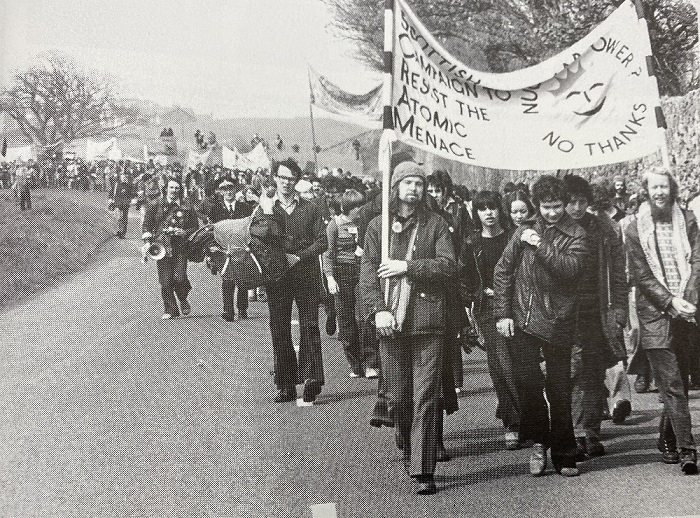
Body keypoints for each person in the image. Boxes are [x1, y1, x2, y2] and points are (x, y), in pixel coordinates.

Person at [359, 161, 457, 495]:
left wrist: (408, 267)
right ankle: (404, 434)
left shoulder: (437, 224)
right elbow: (368, 272)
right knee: (398, 399)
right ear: (395, 187)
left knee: (426, 396)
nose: (414, 188)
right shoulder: (377, 226)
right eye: (407, 182)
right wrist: (378, 311)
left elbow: (448, 266)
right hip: (391, 324)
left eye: (419, 183)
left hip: (429, 322)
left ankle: (423, 468)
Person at [493, 175, 588, 477]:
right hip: (523, 318)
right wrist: (502, 314)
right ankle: (539, 442)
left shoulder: (577, 234)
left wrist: (541, 243)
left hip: (559, 319)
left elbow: (569, 270)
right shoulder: (523, 230)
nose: (552, 212)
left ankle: (564, 452)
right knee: (527, 382)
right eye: (546, 207)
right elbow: (503, 271)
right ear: (538, 205)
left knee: (559, 390)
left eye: (557, 206)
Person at [625, 166, 700, 474]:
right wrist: (670, 302)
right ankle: (687, 449)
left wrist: (689, 299)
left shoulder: (689, 220)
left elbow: (698, 258)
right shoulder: (633, 228)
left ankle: (667, 437)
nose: (659, 192)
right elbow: (641, 275)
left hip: (688, 310)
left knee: (679, 380)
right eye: (654, 187)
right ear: (646, 190)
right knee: (671, 383)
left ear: (672, 189)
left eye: (664, 187)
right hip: (655, 314)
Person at [563, 175, 629, 460]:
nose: (577, 207)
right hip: (565, 312)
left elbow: (617, 272)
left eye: (582, 201)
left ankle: (591, 431)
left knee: (593, 371)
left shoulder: (603, 229)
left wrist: (620, 310)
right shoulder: (556, 229)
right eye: (571, 202)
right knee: (573, 372)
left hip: (597, 310)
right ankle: (577, 433)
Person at [459, 190, 521, 450]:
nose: (489, 213)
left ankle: (525, 415)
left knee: (522, 365)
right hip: (489, 311)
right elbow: (462, 280)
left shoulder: (512, 238)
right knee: (501, 365)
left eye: (493, 207)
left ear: (500, 210)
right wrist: (478, 294)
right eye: (483, 208)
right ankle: (512, 423)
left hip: (518, 307)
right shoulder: (472, 244)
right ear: (477, 212)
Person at [266, 159, 327, 406]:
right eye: (281, 177)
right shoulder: (266, 208)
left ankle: (312, 381)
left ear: (297, 181)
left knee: (310, 326)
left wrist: (299, 257)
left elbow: (322, 242)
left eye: (290, 179)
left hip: (306, 274)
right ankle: (286, 384)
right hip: (277, 278)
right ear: (274, 178)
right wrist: (279, 259)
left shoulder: (311, 208)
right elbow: (257, 239)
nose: (285, 183)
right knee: (279, 328)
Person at [323, 189, 376, 377]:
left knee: (366, 318)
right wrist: (330, 277)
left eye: (362, 205)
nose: (360, 210)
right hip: (341, 273)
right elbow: (327, 254)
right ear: (347, 208)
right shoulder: (334, 225)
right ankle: (355, 364)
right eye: (356, 207)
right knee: (346, 321)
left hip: (362, 272)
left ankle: (370, 363)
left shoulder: (366, 223)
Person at [142, 179, 199, 319]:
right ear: (166, 188)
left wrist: (184, 232)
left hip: (180, 247)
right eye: (171, 187)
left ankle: (183, 297)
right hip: (161, 247)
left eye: (177, 188)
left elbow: (195, 227)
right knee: (166, 280)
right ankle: (170, 310)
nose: (174, 190)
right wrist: (148, 242)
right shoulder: (155, 205)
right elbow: (147, 226)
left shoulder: (187, 206)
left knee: (180, 278)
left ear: (180, 190)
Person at [202, 177, 254, 321]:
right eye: (225, 189)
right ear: (220, 191)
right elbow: (210, 231)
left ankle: (242, 308)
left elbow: (250, 227)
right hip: (222, 249)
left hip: (241, 248)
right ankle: (228, 310)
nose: (228, 192)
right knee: (227, 279)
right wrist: (209, 252)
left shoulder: (245, 208)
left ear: (235, 189)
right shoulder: (215, 209)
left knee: (242, 278)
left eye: (230, 188)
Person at [110, 171, 134, 238]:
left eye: (125, 177)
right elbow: (111, 192)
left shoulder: (129, 186)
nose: (124, 178)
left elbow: (131, 194)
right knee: (119, 218)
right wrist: (110, 199)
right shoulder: (116, 185)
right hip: (118, 203)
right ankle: (119, 231)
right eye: (123, 177)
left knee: (124, 219)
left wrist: (130, 200)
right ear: (120, 178)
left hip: (125, 204)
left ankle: (122, 233)